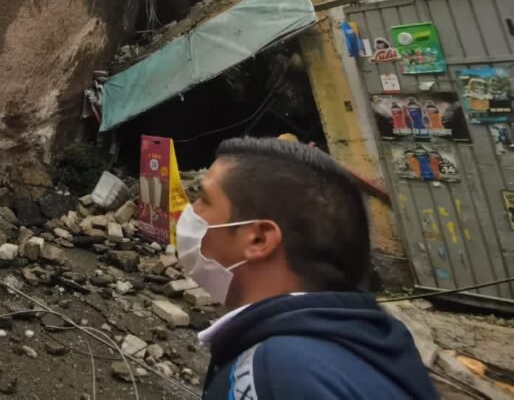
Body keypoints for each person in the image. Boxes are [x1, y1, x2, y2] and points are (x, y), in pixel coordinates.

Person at [183, 137, 437, 399]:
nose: (191, 210)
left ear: (259, 239)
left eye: (203, 198)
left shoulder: (274, 375)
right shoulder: (374, 344)